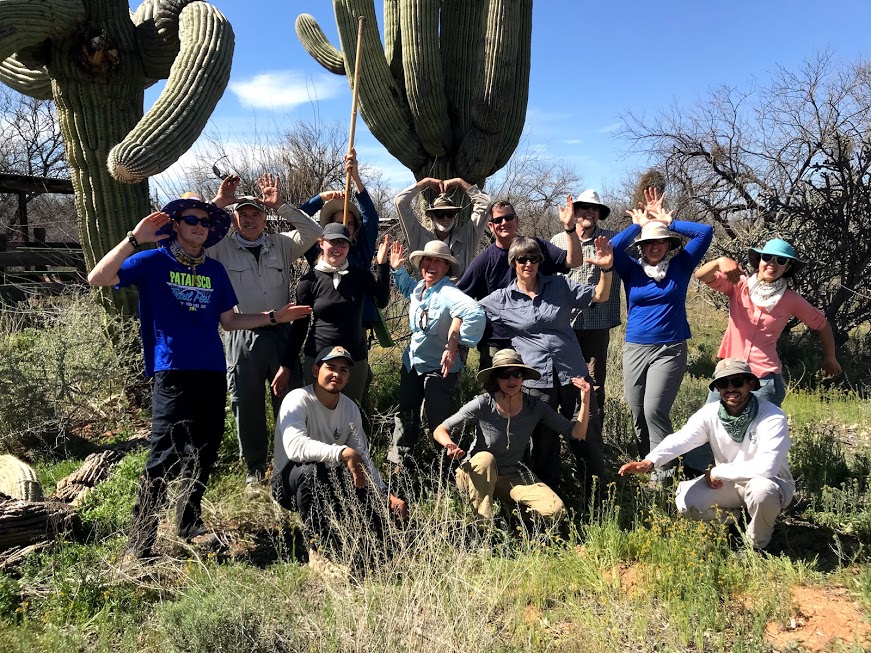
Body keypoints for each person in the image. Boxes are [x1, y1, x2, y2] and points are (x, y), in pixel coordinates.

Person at [87, 194, 311, 561]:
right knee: (164, 452)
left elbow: (230, 321)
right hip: (173, 370)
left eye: (205, 223)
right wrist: (133, 238)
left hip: (212, 369)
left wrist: (274, 317)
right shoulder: (152, 262)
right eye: (191, 220)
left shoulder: (214, 271)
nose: (199, 227)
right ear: (175, 224)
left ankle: (189, 522)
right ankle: (140, 543)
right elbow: (98, 277)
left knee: (204, 450)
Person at [209, 174, 322, 486]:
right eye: (242, 215)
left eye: (255, 214)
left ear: (264, 218)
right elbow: (194, 235)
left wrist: (281, 205)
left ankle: (290, 460)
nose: (249, 220)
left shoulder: (281, 244)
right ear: (234, 219)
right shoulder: (221, 249)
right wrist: (219, 203)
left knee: (289, 398)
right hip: (241, 332)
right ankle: (255, 468)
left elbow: (314, 231)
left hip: (281, 331)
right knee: (246, 403)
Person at [479, 236, 613, 495]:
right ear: (513, 262)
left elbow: (599, 295)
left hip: (573, 372)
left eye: (534, 258)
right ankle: (548, 497)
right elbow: (469, 310)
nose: (528, 263)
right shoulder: (502, 299)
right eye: (522, 259)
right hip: (534, 378)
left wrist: (606, 269)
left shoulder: (559, 285)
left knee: (587, 431)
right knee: (542, 438)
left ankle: (595, 495)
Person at [619, 359, 794, 550]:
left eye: (737, 382)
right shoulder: (710, 413)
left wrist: (718, 472)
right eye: (723, 384)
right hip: (730, 483)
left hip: (772, 483)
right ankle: (742, 521)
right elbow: (683, 439)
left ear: (751, 384)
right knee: (687, 503)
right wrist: (650, 461)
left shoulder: (772, 416)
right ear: (717, 389)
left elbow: (766, 468)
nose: (730, 389)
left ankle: (756, 545)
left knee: (762, 490)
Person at [610, 189, 713, 478]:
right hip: (635, 347)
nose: (654, 246)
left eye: (660, 241)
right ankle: (647, 462)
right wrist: (638, 226)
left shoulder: (681, 266)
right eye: (648, 242)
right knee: (637, 411)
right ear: (641, 246)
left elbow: (705, 232)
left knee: (655, 409)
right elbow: (612, 247)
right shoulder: (631, 270)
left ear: (669, 244)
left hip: (669, 347)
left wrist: (669, 221)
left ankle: (664, 472)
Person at [272, 345, 408, 559]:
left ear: (348, 377)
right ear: (316, 370)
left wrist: (384, 494)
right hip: (290, 482)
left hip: (331, 479)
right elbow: (295, 447)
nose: (336, 374)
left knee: (370, 494)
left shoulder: (349, 408)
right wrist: (343, 452)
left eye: (343, 370)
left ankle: (376, 542)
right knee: (310, 474)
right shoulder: (298, 399)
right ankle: (319, 553)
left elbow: (362, 457)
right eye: (331, 367)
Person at [433, 349, 592, 522]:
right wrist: (450, 445)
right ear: (496, 378)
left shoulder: (534, 406)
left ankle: (512, 515)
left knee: (556, 510)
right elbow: (440, 430)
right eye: (504, 374)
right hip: (476, 474)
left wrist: (585, 400)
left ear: (523, 377)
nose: (512, 380)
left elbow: (577, 433)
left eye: (517, 373)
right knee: (485, 458)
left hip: (512, 476)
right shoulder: (483, 403)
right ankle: (482, 529)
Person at [694, 238, 842, 407]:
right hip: (727, 373)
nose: (772, 263)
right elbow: (701, 275)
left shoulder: (791, 299)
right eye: (767, 258)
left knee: (761, 431)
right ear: (759, 260)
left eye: (780, 260)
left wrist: (830, 357)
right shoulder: (739, 285)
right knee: (711, 423)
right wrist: (720, 261)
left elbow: (822, 325)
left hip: (762, 379)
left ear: (787, 267)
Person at [386, 240, 485, 470]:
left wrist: (456, 342)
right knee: (406, 415)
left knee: (439, 421)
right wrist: (397, 270)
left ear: (447, 267)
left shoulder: (449, 293)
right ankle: (399, 463)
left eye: (438, 261)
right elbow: (407, 289)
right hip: (412, 363)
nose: (431, 265)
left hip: (440, 369)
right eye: (427, 260)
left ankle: (446, 469)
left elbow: (475, 313)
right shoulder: (421, 288)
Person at [456, 195, 586, 368]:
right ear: (491, 226)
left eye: (508, 218)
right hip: (498, 341)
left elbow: (575, 261)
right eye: (498, 220)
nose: (504, 223)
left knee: (537, 392)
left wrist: (569, 228)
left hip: (537, 338)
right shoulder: (484, 261)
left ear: (517, 220)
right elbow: (459, 298)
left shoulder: (536, 247)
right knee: (498, 392)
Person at [272, 225, 391, 402]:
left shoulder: (359, 275)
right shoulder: (309, 281)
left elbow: (381, 301)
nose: (338, 249)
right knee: (318, 415)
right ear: (321, 243)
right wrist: (286, 364)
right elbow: (300, 326)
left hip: (354, 360)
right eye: (332, 242)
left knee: (350, 414)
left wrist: (382, 266)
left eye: (343, 244)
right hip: (319, 358)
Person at [550, 189, 622, 414]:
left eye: (594, 208)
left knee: (594, 380)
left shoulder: (612, 240)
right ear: (575, 211)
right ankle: (567, 431)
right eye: (584, 207)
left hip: (597, 322)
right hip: (565, 325)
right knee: (564, 379)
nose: (589, 212)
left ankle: (593, 435)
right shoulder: (558, 239)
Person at [393, 176, 491, 276]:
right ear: (431, 217)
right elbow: (400, 202)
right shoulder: (419, 237)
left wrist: (460, 182)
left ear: (454, 217)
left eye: (450, 214)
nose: (445, 218)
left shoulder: (466, 238)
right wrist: (425, 182)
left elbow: (485, 203)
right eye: (440, 214)